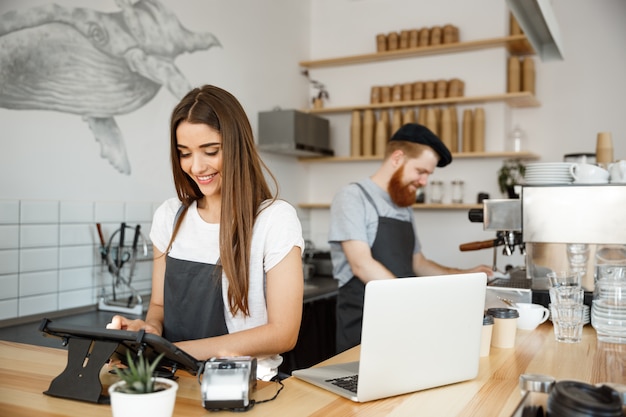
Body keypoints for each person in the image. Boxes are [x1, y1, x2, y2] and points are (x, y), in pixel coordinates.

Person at [106, 85, 305, 380]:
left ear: (237, 146)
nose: (196, 166)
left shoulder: (273, 219)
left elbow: (283, 333)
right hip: (172, 378)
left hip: (243, 384)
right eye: (184, 153)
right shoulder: (169, 217)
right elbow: (159, 307)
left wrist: (169, 349)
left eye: (210, 151)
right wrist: (148, 331)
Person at [329, 123, 493, 353]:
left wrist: (464, 275)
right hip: (364, 326)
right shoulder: (353, 196)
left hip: (402, 322)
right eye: (421, 171)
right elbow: (362, 264)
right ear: (397, 158)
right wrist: (415, 305)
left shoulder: (402, 205)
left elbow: (418, 263)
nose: (424, 181)